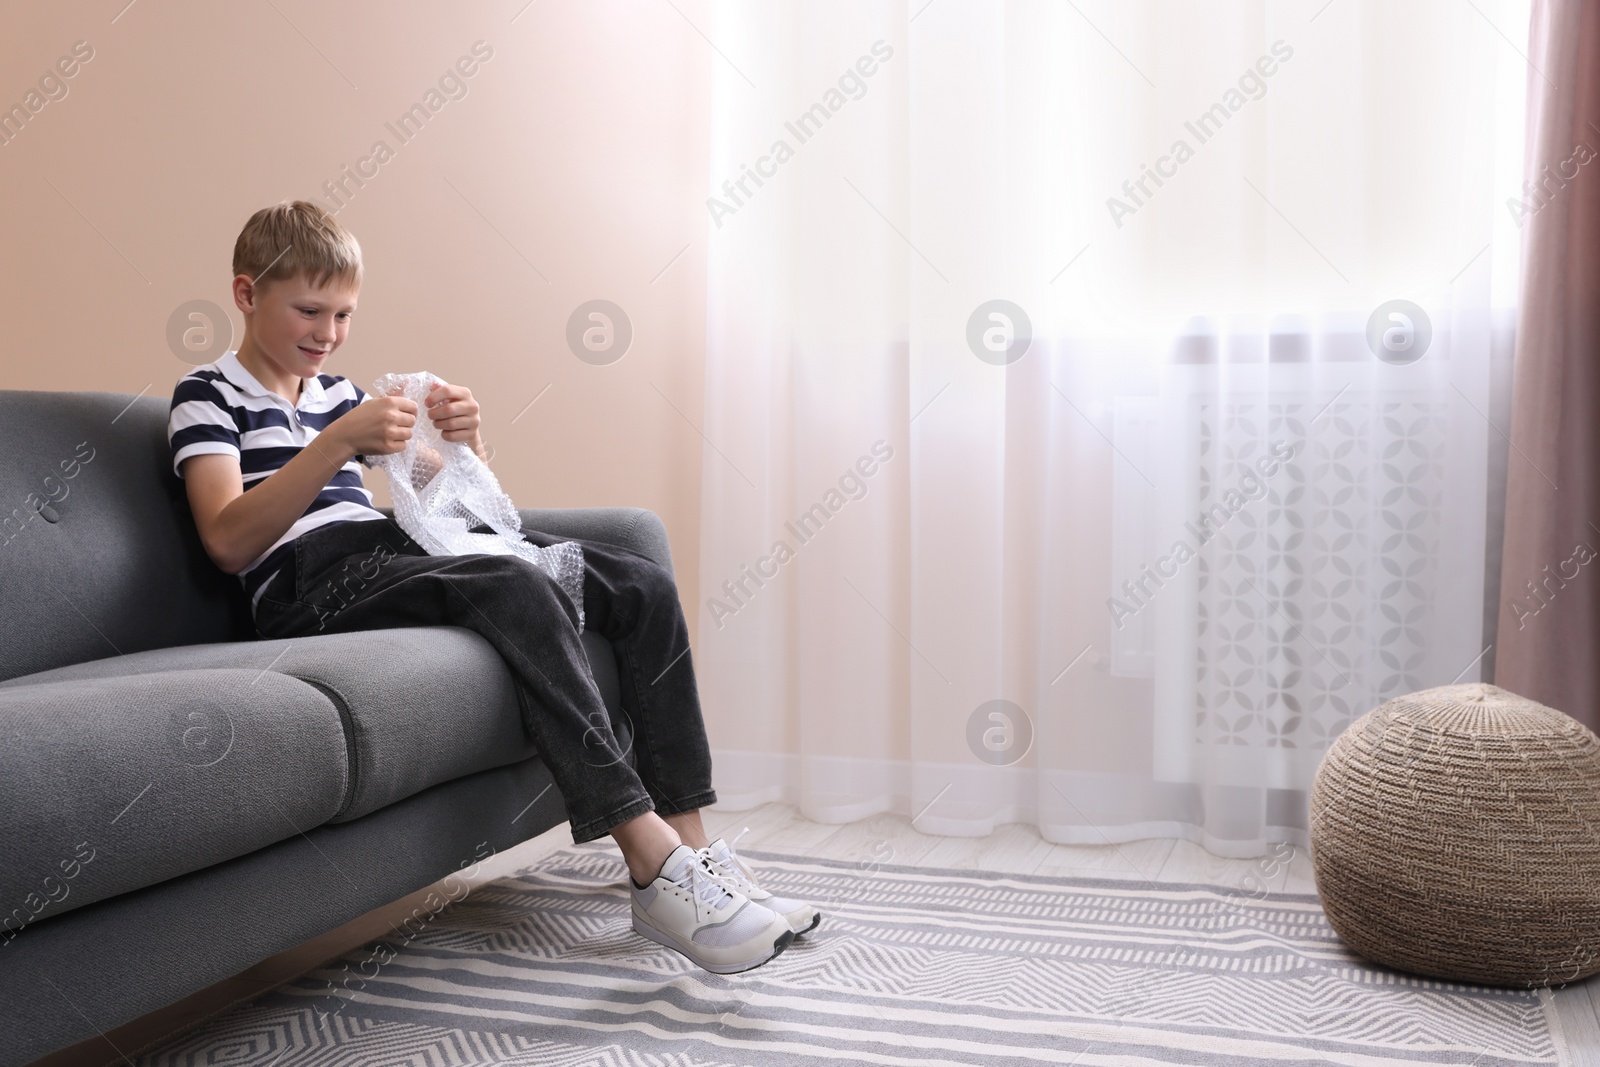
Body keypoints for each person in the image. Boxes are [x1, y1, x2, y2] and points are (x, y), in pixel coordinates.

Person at [167, 199, 818, 974]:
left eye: (343, 314)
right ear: (247, 296)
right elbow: (228, 538)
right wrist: (339, 441)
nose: (328, 333)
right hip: (307, 590)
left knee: (636, 583)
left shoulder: (339, 394)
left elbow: (457, 500)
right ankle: (648, 858)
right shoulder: (208, 394)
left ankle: (694, 855)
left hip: (388, 546)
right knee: (508, 583)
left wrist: (468, 440)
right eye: (309, 310)